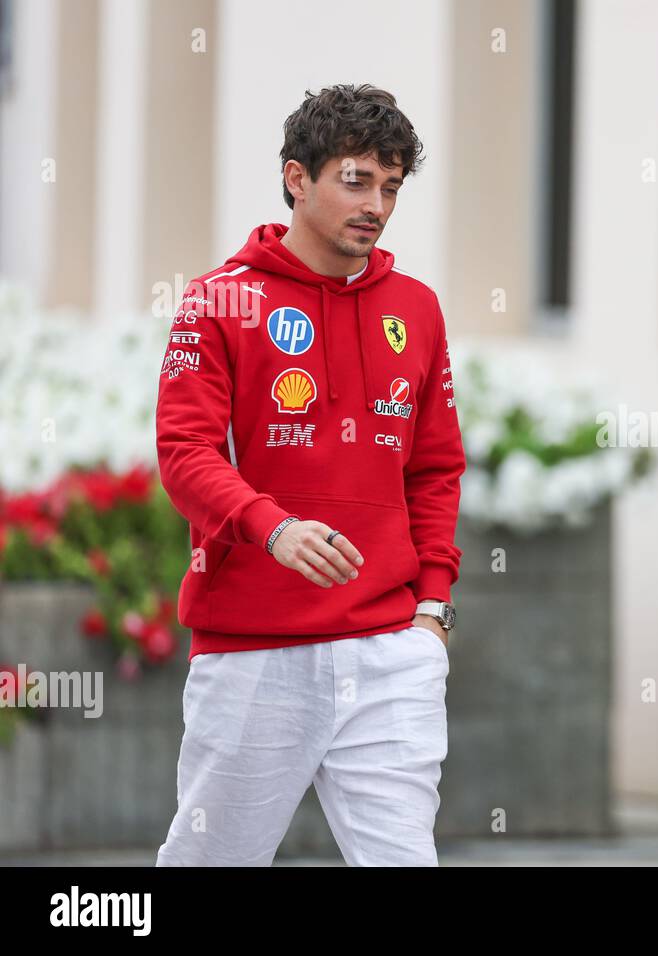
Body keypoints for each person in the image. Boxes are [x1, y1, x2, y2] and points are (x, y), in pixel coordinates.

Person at [153, 83, 464, 866]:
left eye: (391, 186)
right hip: (254, 649)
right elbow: (185, 455)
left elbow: (434, 469)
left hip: (392, 647)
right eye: (356, 180)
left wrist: (433, 609)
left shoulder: (417, 309)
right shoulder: (220, 302)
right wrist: (274, 527)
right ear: (298, 179)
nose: (378, 205)